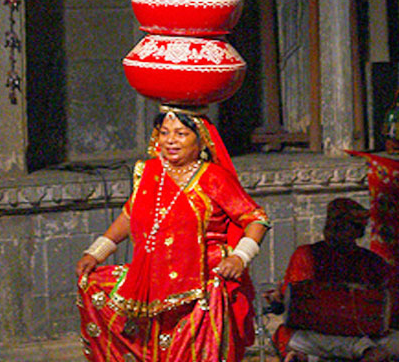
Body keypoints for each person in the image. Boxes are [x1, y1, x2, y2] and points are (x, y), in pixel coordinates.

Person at [75, 105, 270, 362]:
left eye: (180, 134)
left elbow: (256, 218)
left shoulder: (213, 177)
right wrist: (97, 251)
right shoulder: (149, 173)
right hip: (151, 283)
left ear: (200, 140)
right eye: (165, 132)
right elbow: (130, 215)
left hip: (201, 288)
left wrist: (239, 258)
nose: (170, 140)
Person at [264, 198, 399, 362]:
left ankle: (313, 358)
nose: (332, 230)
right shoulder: (306, 254)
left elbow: (390, 306)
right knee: (287, 336)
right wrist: (278, 298)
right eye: (330, 224)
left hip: (358, 332)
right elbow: (293, 301)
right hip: (320, 333)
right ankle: (363, 351)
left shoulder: (373, 262)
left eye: (341, 226)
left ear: (358, 231)